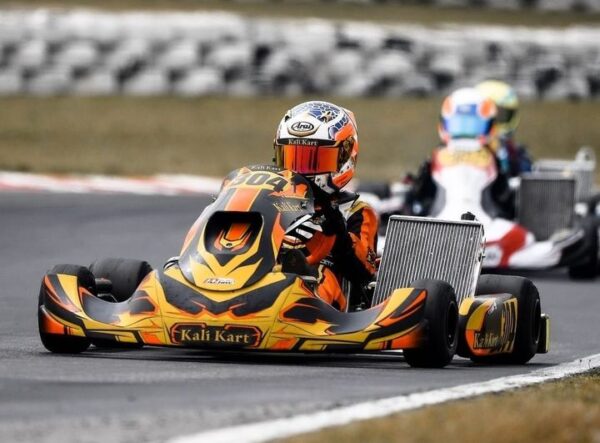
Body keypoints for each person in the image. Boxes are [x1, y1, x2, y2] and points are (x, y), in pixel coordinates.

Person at [273, 101, 378, 311]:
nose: (300, 171)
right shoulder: (271, 199)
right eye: (292, 158)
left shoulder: (355, 210)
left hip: (329, 297)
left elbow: (366, 271)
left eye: (312, 161)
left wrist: (338, 230)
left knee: (318, 271)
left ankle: (299, 308)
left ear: (345, 157)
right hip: (270, 270)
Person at [404, 87, 515, 219]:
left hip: (489, 222)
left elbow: (505, 197)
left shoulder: (495, 157)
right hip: (435, 219)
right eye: (459, 124)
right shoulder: (437, 156)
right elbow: (417, 196)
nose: (466, 131)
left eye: (473, 125)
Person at [476, 80, 532, 177]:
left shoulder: (513, 153)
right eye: (490, 116)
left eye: (501, 115)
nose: (495, 122)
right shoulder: (453, 149)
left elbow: (525, 173)